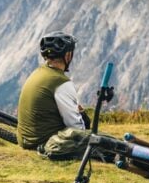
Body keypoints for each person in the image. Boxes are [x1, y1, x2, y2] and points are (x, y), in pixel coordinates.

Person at [17, 31, 93, 159]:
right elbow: (76, 128)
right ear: (68, 55)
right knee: (101, 140)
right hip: (48, 143)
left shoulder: (37, 73)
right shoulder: (61, 82)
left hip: (25, 140)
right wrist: (84, 117)